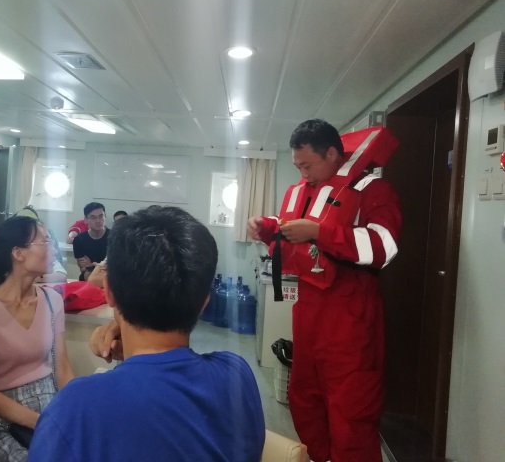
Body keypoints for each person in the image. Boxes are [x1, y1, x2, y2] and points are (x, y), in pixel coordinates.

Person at [30, 206, 265, 462]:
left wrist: (127, 331)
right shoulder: (237, 375)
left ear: (109, 292)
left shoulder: (75, 408)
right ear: (204, 303)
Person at [246, 119, 402, 462]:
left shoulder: (373, 190)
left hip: (350, 321)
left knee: (352, 412)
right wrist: (268, 227)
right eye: (297, 167)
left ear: (332, 154)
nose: (302, 173)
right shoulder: (310, 189)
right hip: (308, 317)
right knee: (305, 401)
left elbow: (383, 246)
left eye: (307, 165)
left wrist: (320, 233)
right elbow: (293, 226)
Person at [0, 216, 74, 462]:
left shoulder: (52, 301)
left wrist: (75, 413)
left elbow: (63, 370)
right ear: (18, 253)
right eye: (45, 242)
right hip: (7, 423)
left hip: (52, 411)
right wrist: (42, 423)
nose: (54, 249)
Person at [72, 202, 109, 281]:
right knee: (87, 274)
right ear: (86, 220)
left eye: (101, 216)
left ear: (105, 217)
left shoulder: (115, 238)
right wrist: (98, 267)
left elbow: (116, 267)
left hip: (109, 279)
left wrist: (91, 265)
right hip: (86, 279)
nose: (98, 221)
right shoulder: (79, 240)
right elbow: (83, 268)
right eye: (93, 218)